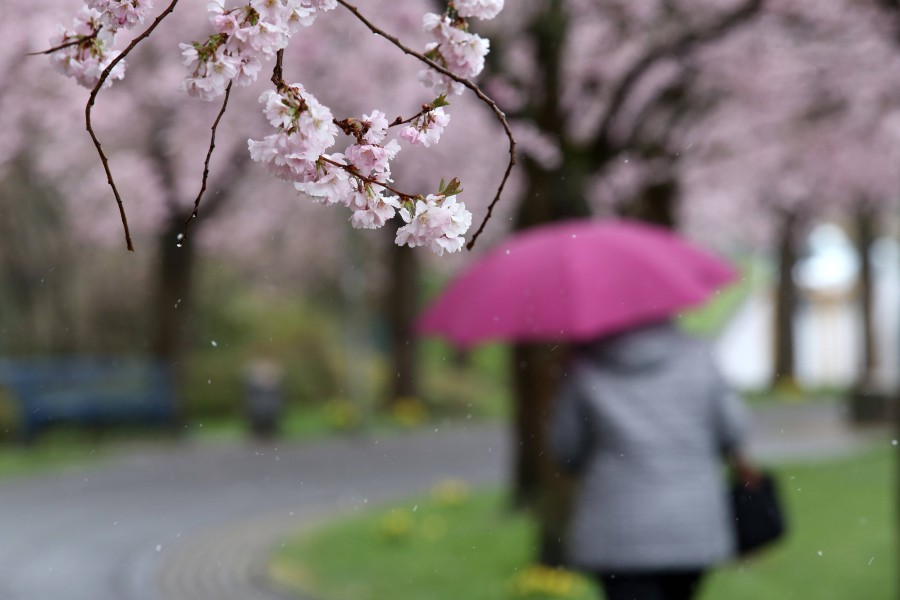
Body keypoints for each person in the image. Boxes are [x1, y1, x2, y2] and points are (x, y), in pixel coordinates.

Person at [549, 319, 758, 600]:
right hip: (691, 523)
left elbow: (567, 450)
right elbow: (733, 430)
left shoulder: (584, 366)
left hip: (616, 529)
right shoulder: (698, 354)